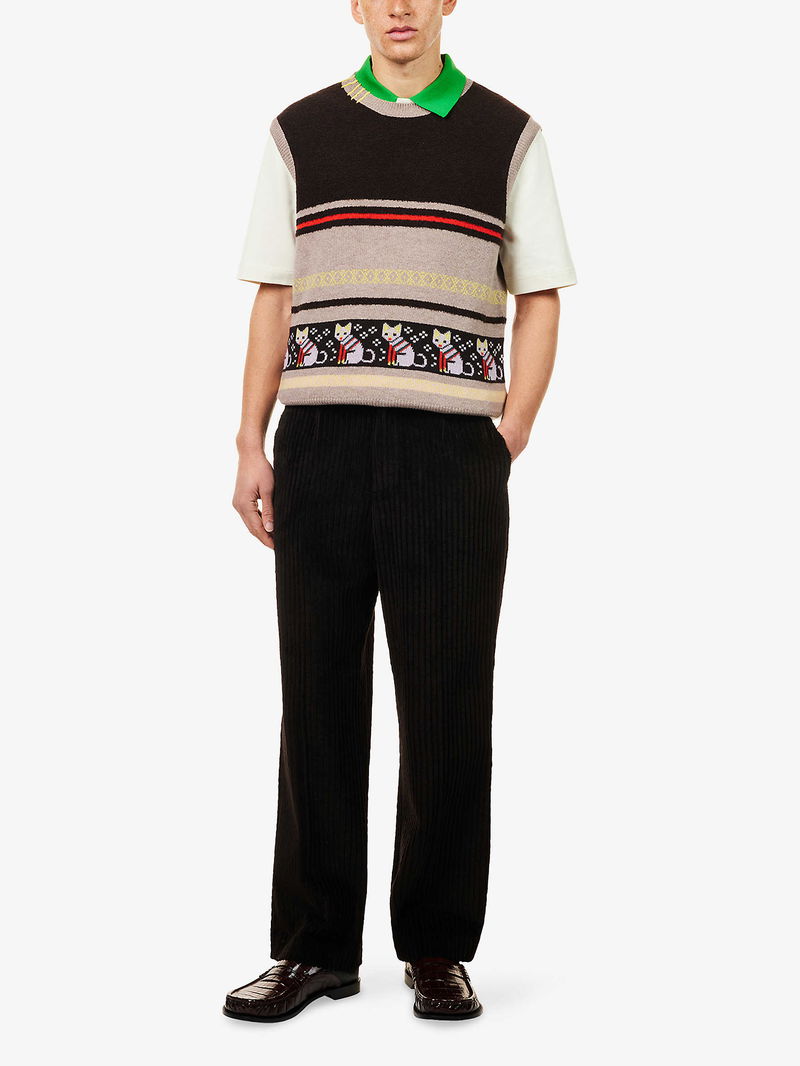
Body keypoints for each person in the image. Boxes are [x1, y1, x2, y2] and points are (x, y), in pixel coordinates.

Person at [224, 0, 576, 1023]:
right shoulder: (300, 132)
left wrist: (508, 430)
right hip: (320, 444)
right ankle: (313, 948)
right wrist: (249, 439)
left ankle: (436, 947)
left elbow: (541, 294)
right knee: (316, 698)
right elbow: (273, 294)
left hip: (449, 455)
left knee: (447, 706)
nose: (398, 7)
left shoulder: (508, 135)